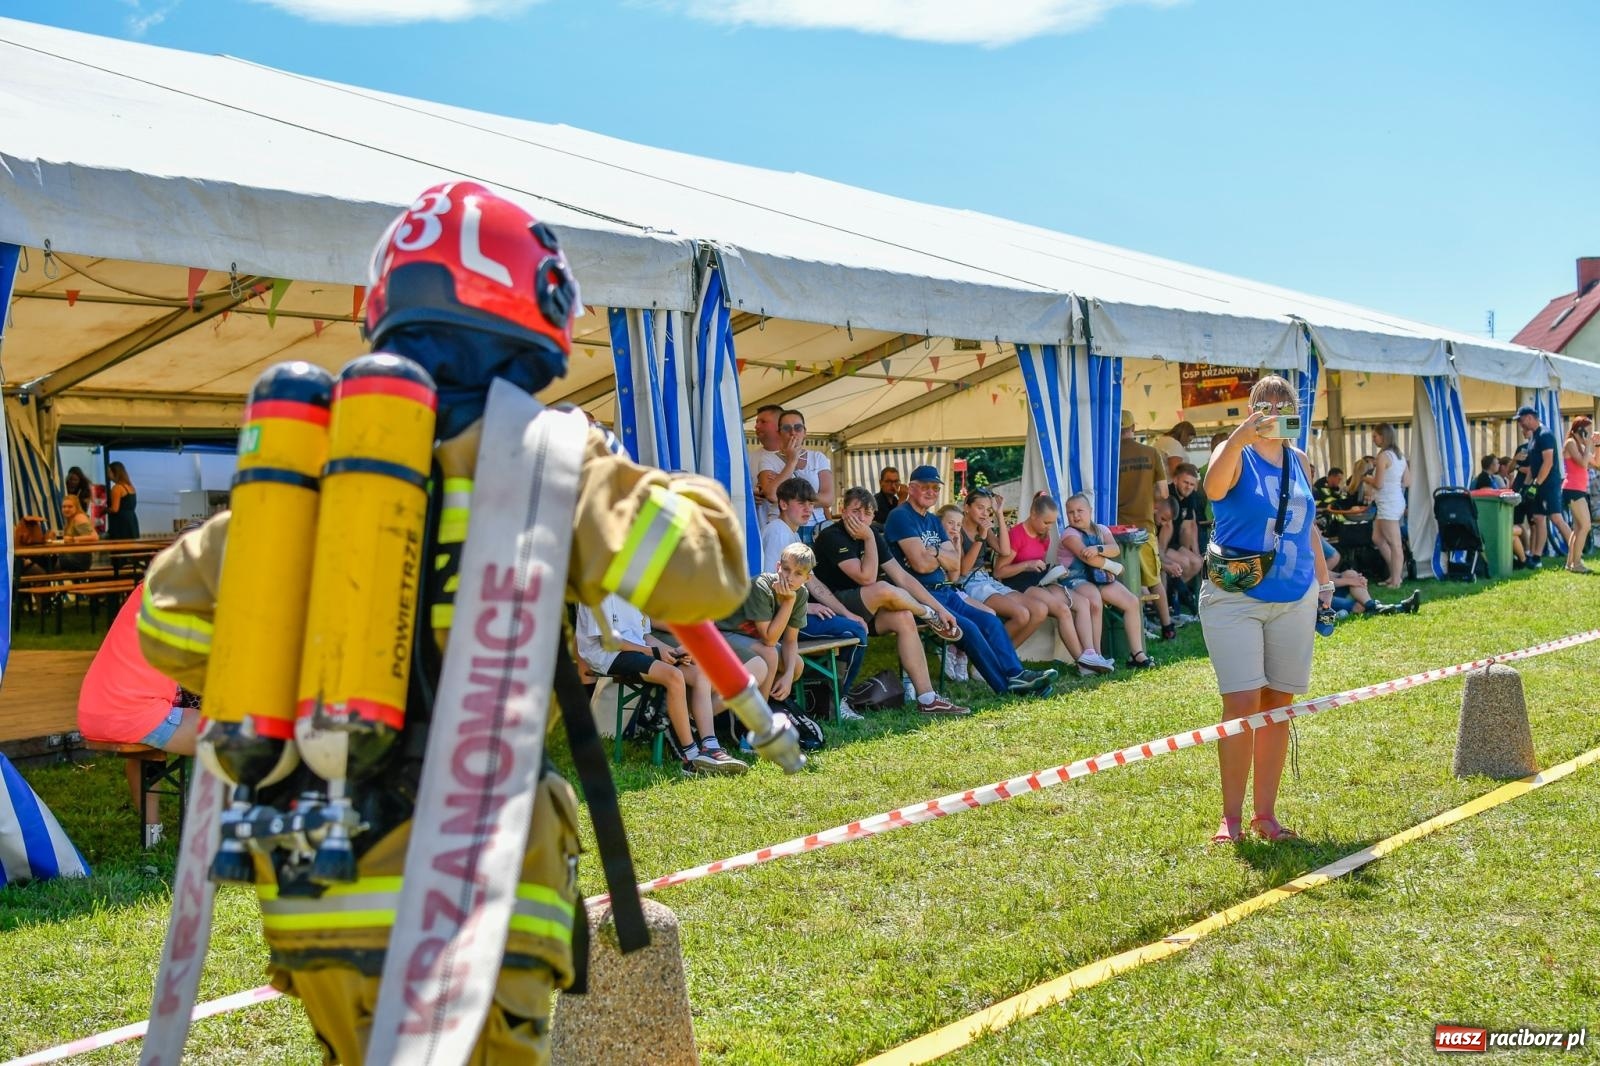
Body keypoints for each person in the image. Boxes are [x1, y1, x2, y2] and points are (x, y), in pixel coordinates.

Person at [137, 182, 753, 1064]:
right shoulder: (550, 466)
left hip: (318, 892)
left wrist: (312, 639)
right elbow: (708, 574)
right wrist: (646, 479)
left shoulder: (311, 483)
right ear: (538, 315)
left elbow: (168, 620)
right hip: (480, 894)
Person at [1200, 374, 1333, 844]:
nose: (1275, 411)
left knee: (1279, 703)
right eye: (1265, 403)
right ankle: (1230, 819)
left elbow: (1306, 525)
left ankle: (1266, 816)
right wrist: (1239, 437)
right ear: (1253, 408)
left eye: (1284, 404)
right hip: (1236, 596)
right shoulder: (1235, 453)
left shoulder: (1299, 460)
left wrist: (1323, 581)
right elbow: (1213, 489)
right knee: (1241, 702)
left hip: (1294, 596)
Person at [886, 465, 1056, 698]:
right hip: (920, 595)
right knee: (971, 630)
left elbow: (955, 564)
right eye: (925, 487)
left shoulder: (933, 521)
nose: (931, 492)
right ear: (912, 488)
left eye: (935, 488)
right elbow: (920, 565)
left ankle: (1016, 675)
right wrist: (940, 556)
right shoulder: (901, 516)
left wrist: (933, 552)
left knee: (990, 622)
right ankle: (1007, 689)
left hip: (946, 591)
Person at [812, 487, 971, 716]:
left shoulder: (873, 535)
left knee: (904, 617)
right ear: (842, 510)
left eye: (866, 513)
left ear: (873, 516)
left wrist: (940, 608)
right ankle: (926, 614)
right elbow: (865, 578)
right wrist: (868, 538)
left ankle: (927, 698)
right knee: (882, 588)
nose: (860, 518)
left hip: (865, 608)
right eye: (855, 511)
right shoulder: (832, 535)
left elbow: (904, 577)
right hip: (832, 608)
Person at [77, 584, 204, 833]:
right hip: (133, 713)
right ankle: (218, 827)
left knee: (158, 737)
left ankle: (151, 832)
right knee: (235, 735)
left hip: (98, 709)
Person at [576, 594, 747, 775]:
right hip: (607, 656)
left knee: (700, 674)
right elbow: (608, 642)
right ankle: (690, 757)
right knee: (673, 677)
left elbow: (643, 635)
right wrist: (653, 652)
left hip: (637, 650)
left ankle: (711, 748)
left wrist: (670, 652)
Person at [761, 476, 869, 719]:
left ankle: (828, 699)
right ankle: (837, 702)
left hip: (793, 612)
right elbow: (770, 582)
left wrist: (845, 612)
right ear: (783, 504)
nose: (809, 509)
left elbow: (814, 582)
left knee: (855, 625)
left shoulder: (793, 534)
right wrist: (807, 608)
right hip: (780, 619)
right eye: (802, 503)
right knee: (857, 632)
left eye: (811, 503)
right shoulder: (777, 531)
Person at [1058, 493, 1153, 672]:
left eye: (1080, 511)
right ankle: (1095, 656)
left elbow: (1115, 549)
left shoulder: (1101, 529)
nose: (1076, 515)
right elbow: (1087, 558)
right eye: (1070, 512)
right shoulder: (1069, 534)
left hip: (1099, 578)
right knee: (1094, 600)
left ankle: (1137, 654)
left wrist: (1098, 548)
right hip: (1075, 578)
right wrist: (1115, 567)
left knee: (1131, 601)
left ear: (1090, 511)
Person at [717, 543, 813, 710]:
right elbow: (769, 640)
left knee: (796, 665)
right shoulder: (761, 585)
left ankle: (752, 707)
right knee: (769, 653)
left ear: (807, 578)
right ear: (778, 567)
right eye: (786, 569)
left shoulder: (802, 593)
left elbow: (790, 640)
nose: (790, 577)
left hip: (751, 640)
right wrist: (789, 601)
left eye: (798, 574)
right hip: (725, 633)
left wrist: (788, 676)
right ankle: (762, 717)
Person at [1117, 411, 1174, 640]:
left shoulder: (1109, 455)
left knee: (1126, 583)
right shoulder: (1151, 453)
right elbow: (1163, 492)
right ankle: (1167, 626)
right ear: (1134, 427)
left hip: (1117, 530)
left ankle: (1134, 629)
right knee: (1154, 581)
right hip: (1144, 527)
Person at [755, 409, 832, 532]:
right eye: (786, 428)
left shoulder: (818, 457)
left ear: (805, 432)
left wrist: (787, 495)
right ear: (779, 433)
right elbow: (772, 496)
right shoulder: (768, 459)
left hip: (816, 529)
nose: (793, 432)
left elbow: (828, 499)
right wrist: (791, 462)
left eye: (798, 428)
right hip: (783, 526)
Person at [1362, 423, 1410, 589]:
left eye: (1375, 436)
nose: (1373, 439)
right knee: (1378, 538)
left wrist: (1366, 478)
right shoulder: (1400, 456)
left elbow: (1379, 484)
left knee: (1394, 543)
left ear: (1384, 436)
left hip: (1388, 502)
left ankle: (1397, 579)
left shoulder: (1383, 456)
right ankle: (1395, 573)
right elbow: (1407, 481)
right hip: (1393, 501)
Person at [1322, 540, 1419, 619]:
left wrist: (1355, 578)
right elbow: (1320, 581)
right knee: (1359, 607)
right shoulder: (1309, 547)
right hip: (1318, 597)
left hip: (1326, 590)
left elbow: (1325, 574)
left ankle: (1372, 605)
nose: (1320, 530)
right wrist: (1351, 581)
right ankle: (1401, 607)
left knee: (1350, 574)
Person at [1516, 404, 1564, 567]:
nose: (1520, 424)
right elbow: (1533, 467)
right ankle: (1536, 558)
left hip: (1548, 484)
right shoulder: (1533, 438)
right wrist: (1525, 487)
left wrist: (1536, 485)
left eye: (1521, 421)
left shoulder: (1545, 434)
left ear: (1530, 417)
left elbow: (1548, 462)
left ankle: (1575, 552)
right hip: (1537, 484)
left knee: (1556, 518)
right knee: (1538, 518)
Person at [1561, 415, 1594, 573]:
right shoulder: (1571, 443)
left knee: (1578, 527)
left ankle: (1570, 563)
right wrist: (1588, 445)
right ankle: (1577, 563)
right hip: (1572, 489)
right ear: (1579, 430)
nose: (1588, 435)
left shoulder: (1581, 446)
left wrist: (1597, 444)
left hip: (1578, 489)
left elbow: (1596, 463)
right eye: (1587, 431)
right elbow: (1582, 462)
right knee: (1585, 525)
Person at [57, 494, 99, 573]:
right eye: (64, 506)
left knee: (48, 563)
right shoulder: (71, 519)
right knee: (47, 561)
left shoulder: (79, 518)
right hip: (74, 556)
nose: (66, 509)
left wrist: (73, 539)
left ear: (77, 507)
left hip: (79, 559)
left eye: (70, 506)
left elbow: (95, 537)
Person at [105, 461, 139, 540]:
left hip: (120, 523)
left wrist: (104, 510)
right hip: (132, 520)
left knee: (120, 547)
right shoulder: (131, 487)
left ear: (115, 473)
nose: (108, 475)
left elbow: (115, 509)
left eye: (109, 472)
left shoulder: (117, 488)